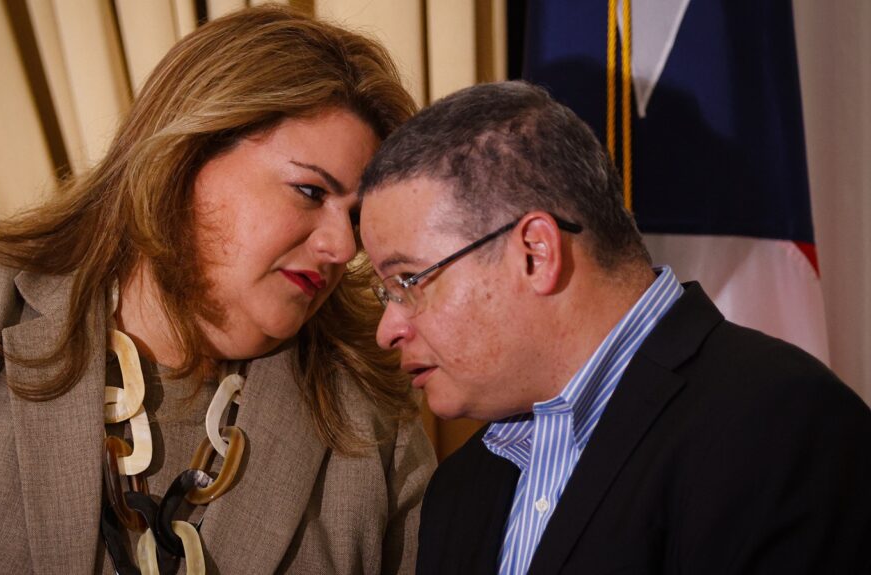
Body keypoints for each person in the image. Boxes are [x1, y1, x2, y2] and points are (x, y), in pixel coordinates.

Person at [0, 6, 436, 574]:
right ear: (185, 158)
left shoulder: (378, 432)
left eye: (356, 218)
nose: (342, 246)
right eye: (310, 192)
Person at [358, 80, 871, 574]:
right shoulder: (459, 489)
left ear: (535, 253)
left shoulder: (783, 425)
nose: (387, 330)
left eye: (407, 281)